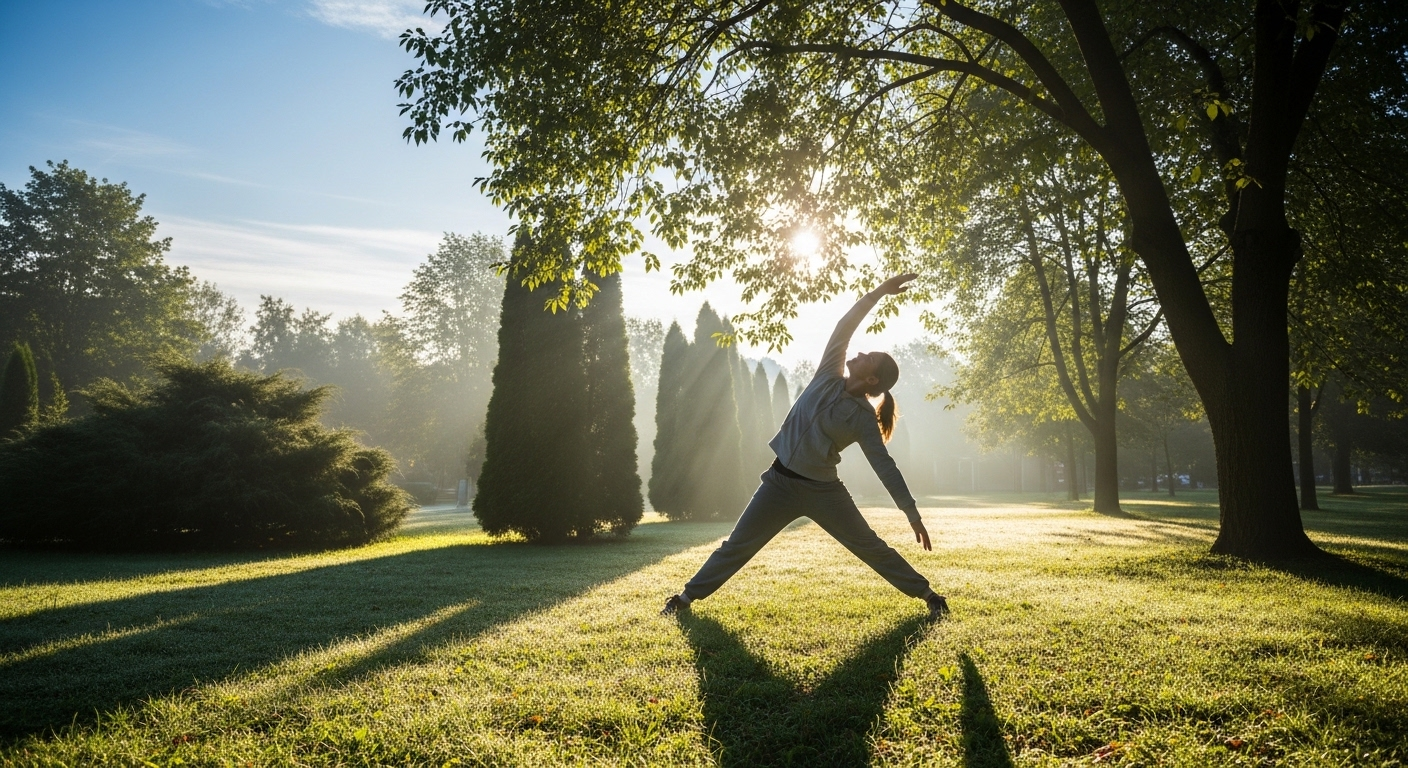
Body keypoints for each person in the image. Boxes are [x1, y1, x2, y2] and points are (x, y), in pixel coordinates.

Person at [661, 273, 948, 620]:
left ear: (872, 379)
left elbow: (885, 466)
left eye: (868, 357)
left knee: (869, 546)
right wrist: (878, 293)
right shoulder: (828, 374)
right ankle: (684, 599)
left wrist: (911, 514)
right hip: (778, 483)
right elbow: (845, 327)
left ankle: (930, 596)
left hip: (823, 492)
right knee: (737, 545)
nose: (859, 353)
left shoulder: (863, 418)